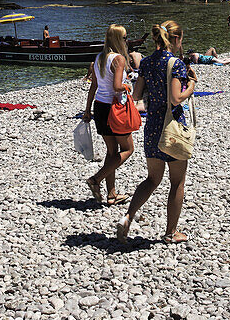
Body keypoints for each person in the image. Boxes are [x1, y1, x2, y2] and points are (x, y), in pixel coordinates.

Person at [118, 21, 195, 244]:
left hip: (152, 126)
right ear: (177, 39)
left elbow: (136, 95)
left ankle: (127, 218)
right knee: (177, 181)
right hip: (172, 128)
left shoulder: (147, 62)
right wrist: (190, 86)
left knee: (152, 179)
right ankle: (171, 232)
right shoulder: (177, 64)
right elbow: (176, 98)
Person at [82, 24, 135, 206]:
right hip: (115, 109)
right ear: (119, 40)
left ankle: (111, 194)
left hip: (100, 107)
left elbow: (93, 87)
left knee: (111, 152)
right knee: (128, 149)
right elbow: (117, 86)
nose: (127, 41)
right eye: (125, 38)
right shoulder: (118, 59)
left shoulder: (98, 58)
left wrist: (87, 110)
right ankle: (96, 179)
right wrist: (129, 86)